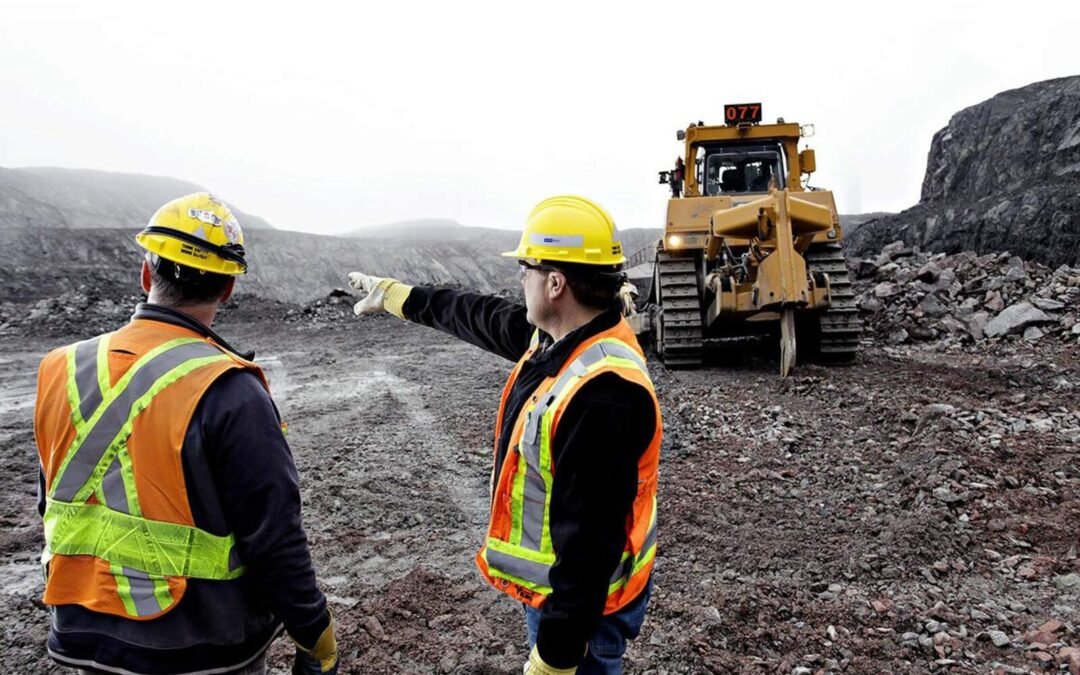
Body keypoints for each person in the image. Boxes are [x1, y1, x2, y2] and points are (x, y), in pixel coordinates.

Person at [348, 195, 661, 675]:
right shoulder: (565, 336)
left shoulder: (604, 393)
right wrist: (395, 295)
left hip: (584, 617)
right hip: (565, 601)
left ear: (556, 283)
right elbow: (477, 315)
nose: (521, 278)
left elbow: (589, 549)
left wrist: (555, 656)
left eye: (527, 268)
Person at [33, 193, 337, 675]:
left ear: (146, 273)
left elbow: (51, 498)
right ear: (227, 291)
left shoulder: (61, 368)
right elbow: (274, 539)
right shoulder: (231, 390)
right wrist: (315, 635)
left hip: (81, 627)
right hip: (197, 647)